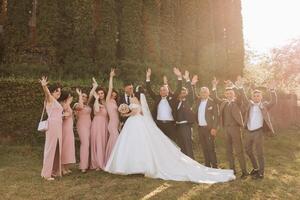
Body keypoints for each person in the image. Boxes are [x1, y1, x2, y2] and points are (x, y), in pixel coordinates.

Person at [104, 86, 235, 184]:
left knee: (138, 144)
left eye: (134, 90)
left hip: (137, 121)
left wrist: (125, 113)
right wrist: (126, 111)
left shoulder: (135, 99)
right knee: (134, 144)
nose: (133, 92)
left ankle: (137, 166)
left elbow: (136, 111)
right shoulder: (136, 99)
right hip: (136, 123)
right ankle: (133, 166)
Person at [236, 76, 277, 179]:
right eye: (254, 96)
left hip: (258, 133)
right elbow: (244, 97)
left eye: (258, 96)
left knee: (259, 153)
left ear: (261, 97)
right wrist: (240, 87)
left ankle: (261, 173)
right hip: (248, 132)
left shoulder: (264, 105)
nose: (256, 97)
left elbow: (274, 102)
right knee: (248, 150)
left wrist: (272, 90)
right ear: (252, 97)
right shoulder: (249, 104)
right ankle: (255, 168)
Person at [211, 78, 248, 179]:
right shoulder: (223, 103)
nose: (229, 95)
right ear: (225, 95)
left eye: (231, 93)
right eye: (227, 93)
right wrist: (214, 86)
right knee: (229, 151)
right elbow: (214, 97)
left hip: (235, 129)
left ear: (234, 94)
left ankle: (244, 172)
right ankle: (232, 171)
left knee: (239, 150)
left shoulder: (237, 102)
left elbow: (240, 96)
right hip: (226, 130)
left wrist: (233, 86)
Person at [145, 67, 182, 143]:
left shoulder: (172, 98)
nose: (162, 91)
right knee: (160, 144)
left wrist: (179, 77)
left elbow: (178, 89)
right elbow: (149, 90)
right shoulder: (157, 98)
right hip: (159, 125)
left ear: (168, 91)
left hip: (170, 125)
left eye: (164, 89)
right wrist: (148, 78)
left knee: (171, 143)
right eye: (161, 90)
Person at [39, 76, 63, 181]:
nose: (59, 93)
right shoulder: (50, 99)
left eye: (60, 91)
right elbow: (47, 94)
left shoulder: (56, 102)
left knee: (57, 148)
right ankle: (46, 174)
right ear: (52, 92)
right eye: (57, 91)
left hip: (58, 126)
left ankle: (54, 171)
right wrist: (44, 86)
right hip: (52, 126)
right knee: (50, 148)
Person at [173, 71, 198, 158]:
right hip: (178, 127)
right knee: (181, 146)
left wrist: (187, 80)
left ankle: (192, 163)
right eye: (181, 92)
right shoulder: (176, 103)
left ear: (186, 94)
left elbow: (191, 92)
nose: (182, 94)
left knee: (188, 146)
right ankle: (185, 164)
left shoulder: (189, 101)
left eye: (184, 92)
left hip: (186, 126)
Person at [194, 86, 219, 168]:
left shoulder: (212, 103)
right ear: (200, 93)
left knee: (211, 148)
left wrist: (214, 128)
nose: (203, 93)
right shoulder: (198, 102)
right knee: (204, 147)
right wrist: (193, 85)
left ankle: (215, 166)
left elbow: (216, 116)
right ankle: (207, 165)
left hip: (209, 129)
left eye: (205, 92)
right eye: (201, 92)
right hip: (200, 128)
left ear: (208, 93)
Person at [90, 83, 109, 170]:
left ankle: (103, 161)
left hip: (105, 124)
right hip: (97, 123)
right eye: (99, 93)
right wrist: (96, 99)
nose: (101, 95)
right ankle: (97, 163)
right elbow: (97, 110)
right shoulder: (95, 102)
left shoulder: (107, 102)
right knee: (97, 142)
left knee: (103, 142)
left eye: (102, 93)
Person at [74, 88, 92, 173]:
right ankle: (83, 166)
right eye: (83, 96)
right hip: (81, 126)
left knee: (88, 144)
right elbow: (81, 106)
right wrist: (79, 95)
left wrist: (95, 87)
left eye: (85, 96)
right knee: (85, 144)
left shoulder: (87, 105)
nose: (84, 97)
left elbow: (91, 95)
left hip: (89, 126)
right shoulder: (76, 104)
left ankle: (87, 164)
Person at [59, 91, 76, 175]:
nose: (70, 97)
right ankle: (62, 168)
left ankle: (66, 167)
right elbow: (62, 112)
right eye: (69, 96)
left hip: (69, 128)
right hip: (64, 128)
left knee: (69, 147)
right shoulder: (61, 103)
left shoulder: (66, 103)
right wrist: (68, 103)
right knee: (64, 146)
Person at [105, 69, 120, 164]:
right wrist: (111, 77)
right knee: (115, 141)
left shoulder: (114, 102)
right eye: (112, 94)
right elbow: (110, 88)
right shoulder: (107, 100)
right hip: (111, 124)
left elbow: (117, 114)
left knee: (115, 141)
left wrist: (119, 124)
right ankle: (111, 161)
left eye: (115, 95)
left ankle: (114, 161)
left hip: (117, 123)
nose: (113, 96)